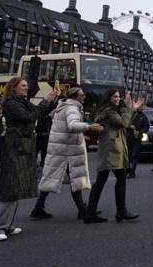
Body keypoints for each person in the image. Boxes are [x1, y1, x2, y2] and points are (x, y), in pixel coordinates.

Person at [0, 77, 59, 242]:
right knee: (11, 187)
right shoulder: (11, 104)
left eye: (26, 85)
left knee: (16, 188)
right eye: (23, 86)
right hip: (15, 145)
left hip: (23, 145)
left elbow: (40, 112)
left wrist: (52, 99)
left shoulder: (23, 101)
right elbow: (31, 116)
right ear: (13, 88)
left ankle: (7, 225)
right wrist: (46, 101)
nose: (26, 88)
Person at [30, 86, 103, 220]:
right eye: (81, 94)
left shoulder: (63, 106)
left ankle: (38, 208)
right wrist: (89, 127)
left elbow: (63, 127)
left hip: (59, 147)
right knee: (75, 179)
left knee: (51, 177)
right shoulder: (71, 108)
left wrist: (81, 136)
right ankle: (82, 210)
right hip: (67, 150)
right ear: (75, 96)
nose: (84, 96)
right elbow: (72, 125)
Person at [84, 89, 145, 223]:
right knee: (119, 179)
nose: (118, 99)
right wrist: (130, 108)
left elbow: (126, 123)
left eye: (119, 96)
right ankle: (120, 212)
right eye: (115, 97)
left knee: (101, 181)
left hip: (110, 148)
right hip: (111, 149)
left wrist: (132, 109)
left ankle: (91, 212)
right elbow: (123, 123)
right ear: (108, 98)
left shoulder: (111, 110)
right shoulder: (109, 111)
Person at [126, 105, 150, 178]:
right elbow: (123, 123)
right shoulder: (130, 115)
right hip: (128, 138)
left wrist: (140, 132)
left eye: (142, 108)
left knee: (134, 156)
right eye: (140, 107)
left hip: (137, 139)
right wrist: (129, 126)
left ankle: (132, 173)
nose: (142, 109)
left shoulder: (143, 117)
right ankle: (128, 170)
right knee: (127, 156)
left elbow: (147, 126)